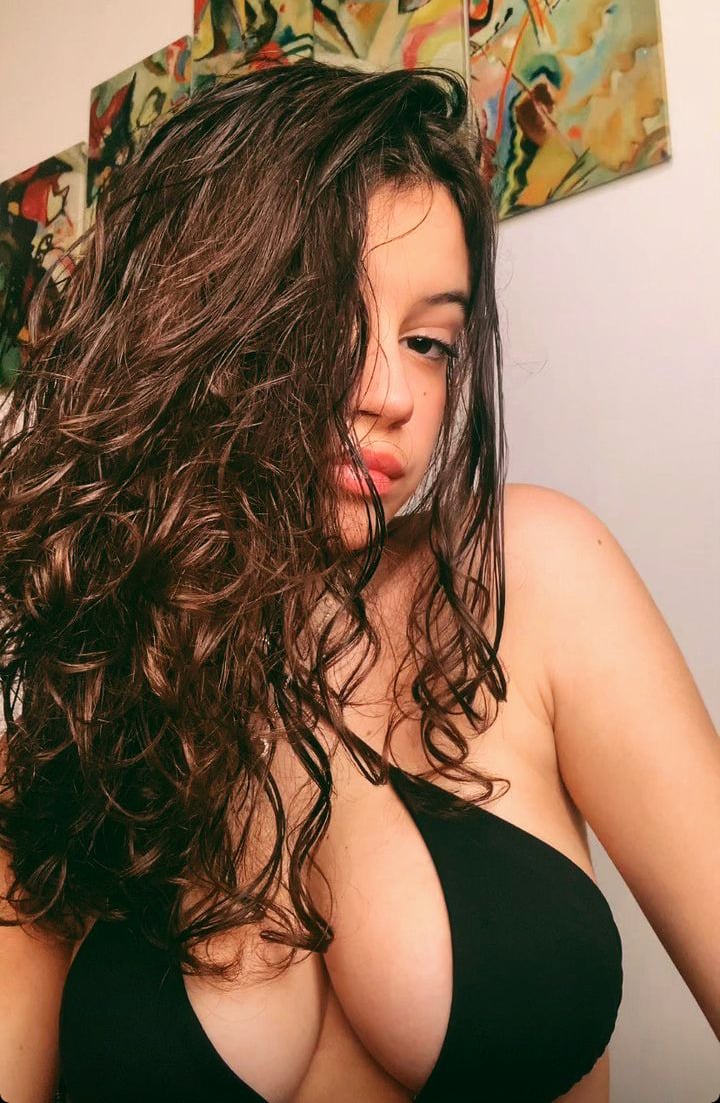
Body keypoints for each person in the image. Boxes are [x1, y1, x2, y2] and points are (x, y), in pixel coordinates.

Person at [0, 59, 717, 1103]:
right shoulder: (82, 718)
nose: (394, 393)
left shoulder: (528, 577)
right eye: (326, 312)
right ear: (193, 322)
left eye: (430, 342)